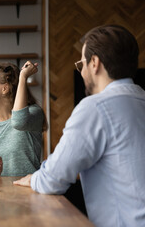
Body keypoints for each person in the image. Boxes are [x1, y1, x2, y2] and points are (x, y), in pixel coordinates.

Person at [13, 25, 145, 227]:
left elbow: (53, 179)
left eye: (81, 64)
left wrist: (34, 178)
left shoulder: (96, 107)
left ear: (94, 63)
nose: (81, 72)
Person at [0, 61, 47, 176]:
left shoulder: (33, 113)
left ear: (5, 89)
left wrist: (23, 77)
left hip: (27, 191)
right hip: (0, 192)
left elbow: (18, 122)